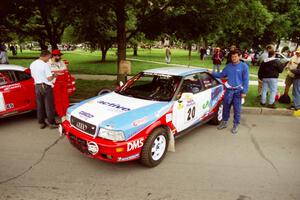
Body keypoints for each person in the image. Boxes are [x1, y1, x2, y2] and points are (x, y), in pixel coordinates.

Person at [212, 50, 249, 134]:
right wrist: (212, 73)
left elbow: (246, 80)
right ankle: (224, 122)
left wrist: (244, 91)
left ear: (239, 57)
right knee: (226, 107)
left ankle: (236, 124)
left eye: (235, 56)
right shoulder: (228, 66)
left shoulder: (244, 66)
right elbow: (221, 75)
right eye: (232, 57)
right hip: (229, 90)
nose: (234, 58)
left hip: (238, 91)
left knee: (237, 109)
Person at [30, 50, 58, 129]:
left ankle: (41, 122)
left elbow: (33, 75)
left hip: (37, 86)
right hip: (46, 86)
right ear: (45, 56)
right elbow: (49, 78)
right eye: (49, 57)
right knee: (49, 106)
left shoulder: (33, 63)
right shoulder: (45, 65)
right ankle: (51, 123)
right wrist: (54, 75)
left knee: (40, 105)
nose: (49, 59)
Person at [48, 49, 70, 118]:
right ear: (54, 56)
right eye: (58, 56)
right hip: (55, 84)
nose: (60, 57)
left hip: (63, 83)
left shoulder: (61, 62)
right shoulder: (48, 64)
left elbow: (65, 71)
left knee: (65, 99)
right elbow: (48, 75)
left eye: (60, 56)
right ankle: (61, 115)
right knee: (58, 100)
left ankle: (66, 113)